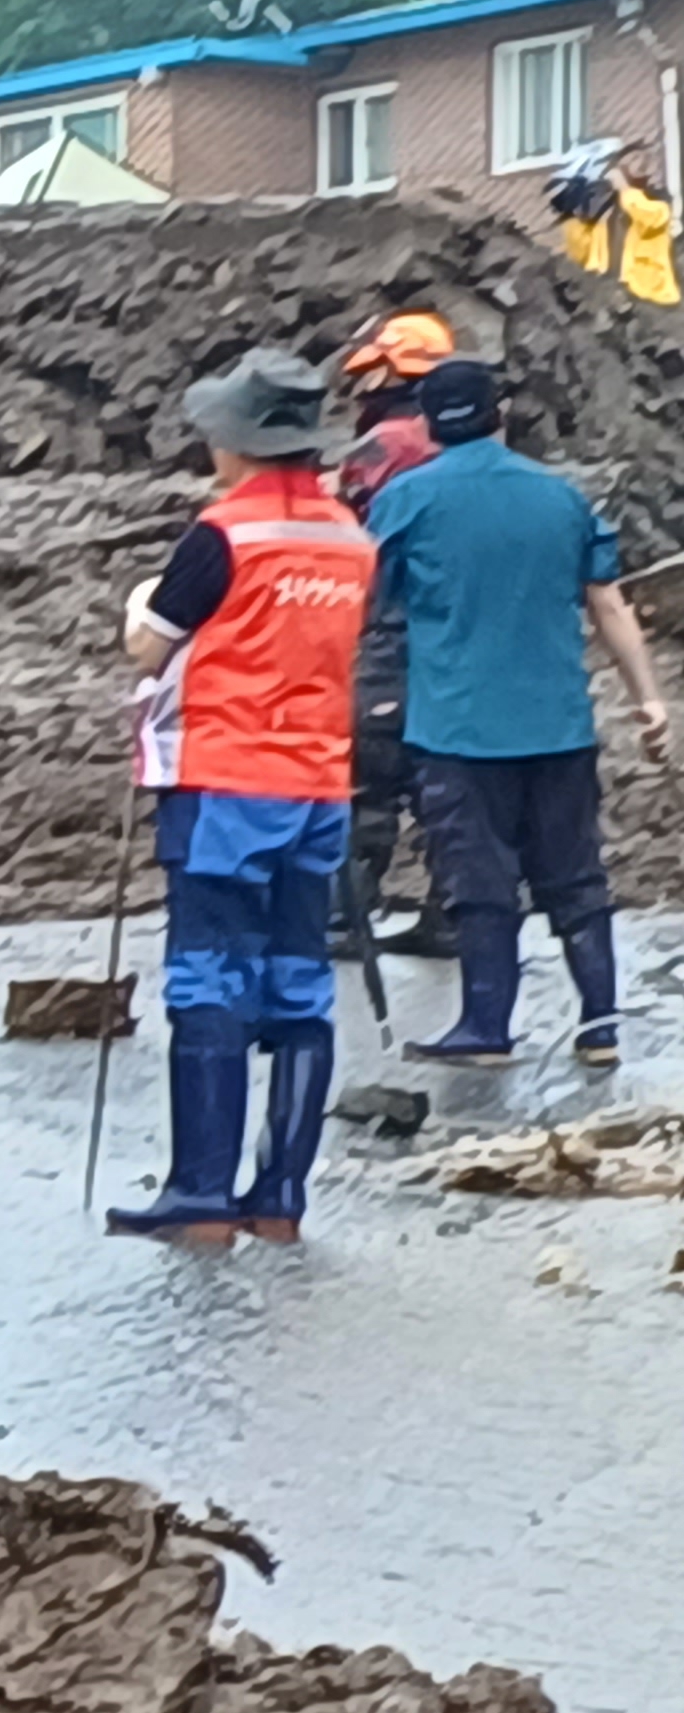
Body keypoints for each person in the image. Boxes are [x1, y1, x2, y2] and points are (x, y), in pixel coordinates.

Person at [111, 347, 376, 1243]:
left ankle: (200, 1195)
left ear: (238, 443)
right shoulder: (349, 537)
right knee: (300, 983)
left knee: (209, 975)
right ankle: (281, 1200)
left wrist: (141, 603)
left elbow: (150, 648)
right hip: (320, 783)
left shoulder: (223, 533)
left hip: (227, 777)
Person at [364, 355, 672, 1066]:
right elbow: (608, 604)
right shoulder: (561, 498)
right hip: (557, 722)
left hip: (458, 728)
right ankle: (599, 1024)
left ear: (427, 423)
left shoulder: (406, 499)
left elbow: (365, 601)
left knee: (480, 881)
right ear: (499, 413)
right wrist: (648, 699)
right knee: (576, 874)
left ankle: (487, 1027)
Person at [333, 309, 459, 954]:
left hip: (392, 625)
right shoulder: (465, 442)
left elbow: (354, 542)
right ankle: (450, 915)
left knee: (371, 774)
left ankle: (348, 917)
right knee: (448, 778)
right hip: (461, 633)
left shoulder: (383, 448)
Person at [554, 140, 680, 308]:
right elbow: (583, 242)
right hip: (612, 291)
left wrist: (622, 185)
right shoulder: (606, 205)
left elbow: (645, 214)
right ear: (619, 165)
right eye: (634, 158)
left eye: (645, 159)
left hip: (648, 295)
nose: (642, 162)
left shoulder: (658, 200)